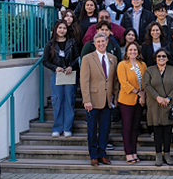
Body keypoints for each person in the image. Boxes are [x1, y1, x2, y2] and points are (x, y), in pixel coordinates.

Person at [80, 32, 118, 166]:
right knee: (92, 130)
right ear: (94, 44)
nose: (101, 44)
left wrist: (115, 97)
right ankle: (93, 155)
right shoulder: (87, 58)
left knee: (105, 129)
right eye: (98, 42)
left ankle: (102, 154)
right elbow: (84, 81)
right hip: (93, 100)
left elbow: (114, 81)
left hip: (107, 100)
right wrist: (86, 100)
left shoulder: (113, 58)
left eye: (103, 41)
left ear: (107, 42)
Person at [143, 48, 173, 166]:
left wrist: (168, 98)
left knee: (168, 132)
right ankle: (158, 155)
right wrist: (158, 97)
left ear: (167, 58)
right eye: (159, 56)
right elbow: (147, 85)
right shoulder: (149, 70)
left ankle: (167, 154)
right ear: (155, 58)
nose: (161, 58)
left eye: (164, 56)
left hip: (169, 104)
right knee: (157, 131)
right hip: (155, 104)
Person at [43, 20, 79, 138]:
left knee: (69, 100)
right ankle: (57, 128)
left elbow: (77, 58)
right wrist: (55, 68)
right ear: (55, 30)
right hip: (57, 75)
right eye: (60, 28)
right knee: (57, 101)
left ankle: (67, 128)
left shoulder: (72, 43)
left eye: (64, 28)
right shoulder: (50, 44)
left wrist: (71, 67)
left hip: (69, 74)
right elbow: (45, 61)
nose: (62, 30)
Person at [116, 42, 147, 164]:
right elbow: (123, 83)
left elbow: (145, 81)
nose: (133, 52)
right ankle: (128, 152)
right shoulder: (122, 64)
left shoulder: (142, 65)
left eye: (135, 50)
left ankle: (134, 151)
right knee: (127, 127)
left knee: (135, 127)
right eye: (130, 50)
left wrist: (143, 94)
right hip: (126, 100)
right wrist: (138, 92)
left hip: (140, 100)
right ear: (127, 52)